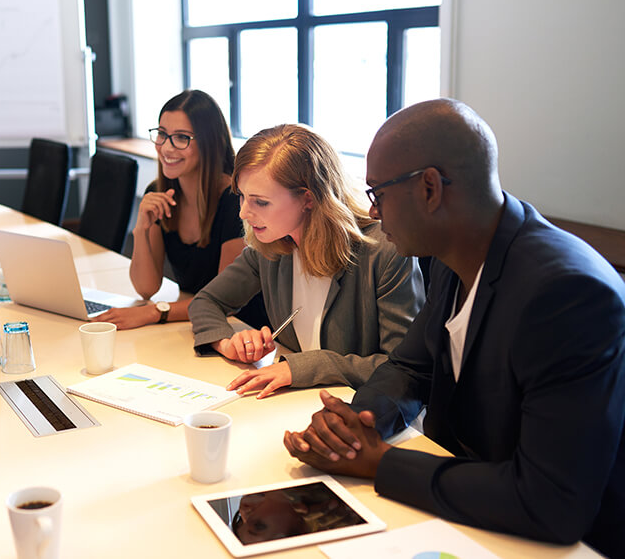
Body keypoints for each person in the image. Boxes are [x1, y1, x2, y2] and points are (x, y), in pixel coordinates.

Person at [283, 99, 625, 557]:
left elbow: (552, 502)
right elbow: (410, 367)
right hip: (469, 513)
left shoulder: (566, 293)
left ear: (429, 188)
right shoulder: (455, 254)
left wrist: (382, 463)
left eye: (377, 194)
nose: (375, 213)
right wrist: (355, 426)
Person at [188, 124, 424, 396]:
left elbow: (402, 368)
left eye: (260, 202)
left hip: (363, 413)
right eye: (241, 197)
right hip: (296, 404)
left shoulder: (383, 251)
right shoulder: (270, 244)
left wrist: (303, 367)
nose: (243, 213)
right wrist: (227, 341)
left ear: (307, 199)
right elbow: (206, 301)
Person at [92, 89, 267, 330]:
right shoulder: (159, 193)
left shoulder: (234, 200)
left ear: (209, 143)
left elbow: (225, 300)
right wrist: (141, 229)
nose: (166, 147)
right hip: (195, 321)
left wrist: (154, 312)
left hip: (242, 329)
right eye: (162, 134)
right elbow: (146, 288)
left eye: (182, 138)